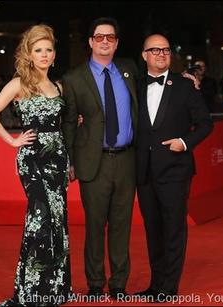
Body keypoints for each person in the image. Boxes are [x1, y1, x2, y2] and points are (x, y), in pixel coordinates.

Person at [0, 24, 72, 306]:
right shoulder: (20, 83)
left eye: (48, 50)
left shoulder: (58, 86)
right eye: (38, 50)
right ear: (29, 55)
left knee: (57, 221)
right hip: (33, 160)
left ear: (54, 55)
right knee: (40, 221)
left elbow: (63, 124)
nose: (44, 55)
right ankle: (31, 292)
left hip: (57, 160)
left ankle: (55, 288)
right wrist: (11, 140)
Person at [61, 17, 138, 299]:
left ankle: (119, 284)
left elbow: (157, 81)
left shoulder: (130, 70)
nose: (105, 41)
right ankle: (95, 284)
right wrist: (69, 160)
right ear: (91, 42)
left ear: (116, 43)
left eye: (111, 37)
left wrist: (184, 77)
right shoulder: (73, 79)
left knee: (122, 225)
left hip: (127, 159)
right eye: (99, 37)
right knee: (94, 226)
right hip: (94, 161)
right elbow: (69, 123)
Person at [134, 33, 213, 301]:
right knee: (153, 230)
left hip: (175, 170)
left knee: (174, 230)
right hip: (144, 172)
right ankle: (155, 285)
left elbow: (205, 123)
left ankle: (169, 288)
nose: (161, 54)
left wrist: (184, 141)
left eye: (166, 50)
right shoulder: (133, 85)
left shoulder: (185, 85)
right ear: (144, 55)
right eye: (154, 50)